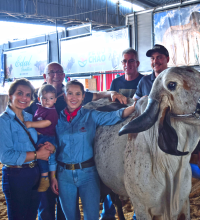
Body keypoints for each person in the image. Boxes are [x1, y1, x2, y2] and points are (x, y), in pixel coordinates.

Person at [25, 62, 128, 220]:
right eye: (52, 72)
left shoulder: (76, 97)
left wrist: (112, 92)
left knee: (67, 212)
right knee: (45, 207)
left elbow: (101, 96)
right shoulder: (35, 103)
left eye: (59, 72)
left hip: (78, 167)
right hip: (49, 162)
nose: (56, 75)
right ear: (44, 76)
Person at [49, 80, 136, 220]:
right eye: (69, 93)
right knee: (70, 217)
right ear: (64, 96)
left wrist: (134, 107)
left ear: (84, 97)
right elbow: (53, 149)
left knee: (92, 216)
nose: (73, 97)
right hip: (63, 175)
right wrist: (53, 176)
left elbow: (115, 116)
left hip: (88, 174)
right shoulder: (57, 119)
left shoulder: (91, 115)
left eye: (78, 94)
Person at [0, 78, 55, 220]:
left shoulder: (30, 117)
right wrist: (37, 155)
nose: (24, 98)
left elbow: (35, 141)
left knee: (31, 215)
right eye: (19, 93)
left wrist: (47, 146)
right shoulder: (2, 122)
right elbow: (5, 156)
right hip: (16, 175)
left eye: (28, 95)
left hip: (35, 172)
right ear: (10, 95)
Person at [101, 48, 143, 220]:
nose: (128, 64)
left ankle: (137, 212)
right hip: (117, 128)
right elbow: (111, 106)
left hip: (139, 131)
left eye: (131, 61)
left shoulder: (145, 81)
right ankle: (108, 210)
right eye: (125, 61)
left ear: (137, 63)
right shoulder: (116, 83)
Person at [24, 84, 58, 192]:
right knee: (42, 156)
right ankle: (45, 176)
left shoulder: (52, 111)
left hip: (48, 137)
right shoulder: (40, 108)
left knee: (46, 156)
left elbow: (46, 123)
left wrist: (31, 124)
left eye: (51, 98)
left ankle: (45, 177)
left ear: (55, 100)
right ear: (39, 99)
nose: (47, 101)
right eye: (44, 98)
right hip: (41, 136)